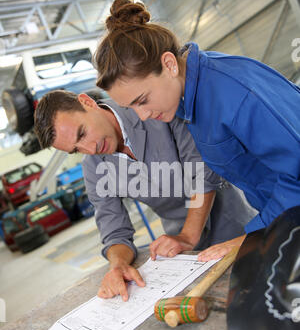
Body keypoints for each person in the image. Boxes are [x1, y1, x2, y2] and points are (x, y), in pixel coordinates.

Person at [93, 0, 300, 262]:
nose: (143, 116)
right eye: (131, 108)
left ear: (168, 65)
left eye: (142, 100)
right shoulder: (190, 104)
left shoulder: (235, 94)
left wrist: (254, 236)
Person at [34, 90, 255, 300]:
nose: (90, 149)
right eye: (76, 149)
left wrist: (188, 235)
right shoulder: (94, 166)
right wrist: (118, 264)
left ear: (87, 102)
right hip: (180, 251)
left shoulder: (148, 107)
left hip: (232, 227)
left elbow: (201, 173)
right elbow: (114, 230)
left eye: (82, 133)